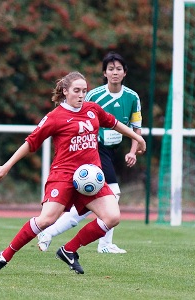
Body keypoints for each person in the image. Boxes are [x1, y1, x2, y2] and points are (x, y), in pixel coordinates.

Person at [0, 71, 145, 275]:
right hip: (64, 177)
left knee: (112, 216)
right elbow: (31, 142)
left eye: (84, 91)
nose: (81, 95)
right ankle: (4, 256)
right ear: (65, 91)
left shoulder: (92, 109)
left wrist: (137, 138)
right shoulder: (55, 117)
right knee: (46, 220)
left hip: (91, 178)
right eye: (77, 91)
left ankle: (69, 250)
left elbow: (114, 123)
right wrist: (7, 166)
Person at [37, 52, 142, 254]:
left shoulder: (132, 97)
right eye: (110, 69)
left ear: (125, 72)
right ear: (104, 73)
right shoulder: (93, 95)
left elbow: (136, 126)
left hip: (115, 149)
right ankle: (104, 245)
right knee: (114, 193)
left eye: (118, 69)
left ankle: (49, 232)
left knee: (88, 204)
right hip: (95, 149)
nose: (115, 73)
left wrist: (133, 151)